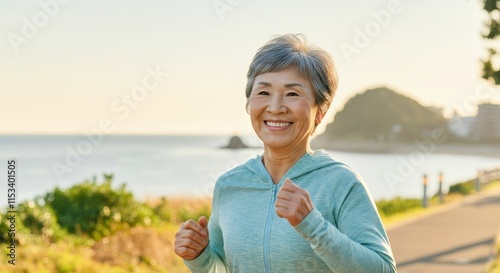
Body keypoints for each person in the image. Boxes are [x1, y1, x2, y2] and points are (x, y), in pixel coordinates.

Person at [174, 34, 397, 273]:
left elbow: (383, 269)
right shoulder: (229, 186)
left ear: (320, 112)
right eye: (263, 93)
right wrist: (199, 257)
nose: (276, 107)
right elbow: (223, 268)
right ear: (250, 104)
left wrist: (314, 227)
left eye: (292, 94)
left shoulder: (341, 183)